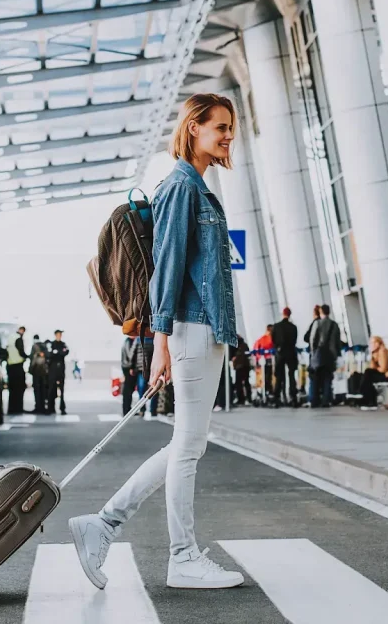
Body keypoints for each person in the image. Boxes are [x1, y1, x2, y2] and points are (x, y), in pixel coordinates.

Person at [69, 92, 244, 591]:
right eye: (219, 127)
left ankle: (102, 525)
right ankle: (182, 557)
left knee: (187, 443)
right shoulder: (181, 188)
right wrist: (161, 342)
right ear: (193, 128)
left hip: (203, 328)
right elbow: (165, 273)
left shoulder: (197, 186)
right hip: (188, 328)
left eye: (230, 127)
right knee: (188, 447)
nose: (228, 135)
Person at [307, 304, 341, 408]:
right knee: (327, 378)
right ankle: (326, 400)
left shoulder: (317, 323)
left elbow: (312, 339)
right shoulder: (334, 325)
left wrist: (313, 353)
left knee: (315, 377)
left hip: (318, 354)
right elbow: (337, 341)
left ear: (321, 312)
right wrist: (337, 354)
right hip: (330, 354)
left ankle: (314, 400)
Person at [359, 336, 388, 409]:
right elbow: (373, 367)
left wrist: (374, 364)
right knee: (365, 375)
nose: (371, 345)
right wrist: (372, 358)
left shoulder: (383, 351)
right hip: (386, 374)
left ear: (378, 343)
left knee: (368, 374)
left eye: (373, 343)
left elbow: (383, 369)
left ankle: (368, 399)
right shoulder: (375, 352)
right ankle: (367, 398)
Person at [271, 307, 299, 406]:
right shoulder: (293, 327)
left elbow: (273, 340)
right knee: (291, 376)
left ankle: (276, 397)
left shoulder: (276, 326)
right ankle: (293, 397)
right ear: (290, 314)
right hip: (291, 353)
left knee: (279, 376)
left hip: (280, 353)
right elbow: (294, 340)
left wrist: (278, 347)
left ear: (282, 314)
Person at [5, 326, 29, 415]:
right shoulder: (18, 339)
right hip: (18, 366)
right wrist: (27, 357)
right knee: (19, 388)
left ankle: (11, 408)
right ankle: (18, 408)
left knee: (12, 390)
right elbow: (21, 352)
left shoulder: (10, 338)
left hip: (10, 366)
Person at [46, 329, 70, 415]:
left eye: (60, 335)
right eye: (58, 334)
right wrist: (58, 353)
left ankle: (62, 408)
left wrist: (57, 352)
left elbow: (66, 352)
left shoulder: (63, 344)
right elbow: (49, 354)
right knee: (51, 389)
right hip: (53, 369)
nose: (60, 336)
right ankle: (50, 407)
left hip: (61, 369)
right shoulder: (52, 344)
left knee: (62, 390)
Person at [252, 324, 275, 403]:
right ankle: (267, 391)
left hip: (263, 361)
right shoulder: (269, 339)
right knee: (268, 377)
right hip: (267, 361)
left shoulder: (262, 339)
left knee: (265, 377)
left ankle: (265, 390)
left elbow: (256, 349)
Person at [29, 334, 49, 414]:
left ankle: (38, 406)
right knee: (43, 390)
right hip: (44, 372)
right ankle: (43, 406)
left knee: (37, 390)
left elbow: (31, 359)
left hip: (36, 371)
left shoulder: (34, 347)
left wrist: (30, 370)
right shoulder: (44, 347)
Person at [230, 333, 251, 405]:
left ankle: (241, 399)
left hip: (239, 366)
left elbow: (231, 355)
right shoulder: (244, 344)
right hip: (246, 365)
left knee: (238, 383)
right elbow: (248, 354)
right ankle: (249, 398)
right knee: (246, 382)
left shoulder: (234, 344)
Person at [120, 336, 139, 417]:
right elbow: (129, 355)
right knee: (128, 390)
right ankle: (126, 410)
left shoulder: (127, 341)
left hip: (127, 367)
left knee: (128, 390)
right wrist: (131, 367)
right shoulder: (129, 342)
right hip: (128, 368)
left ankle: (128, 409)